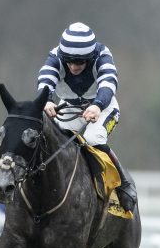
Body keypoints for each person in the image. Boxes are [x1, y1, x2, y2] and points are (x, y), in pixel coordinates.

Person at [36, 22, 137, 211]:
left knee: (92, 138)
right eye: (69, 61)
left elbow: (108, 83)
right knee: (50, 141)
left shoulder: (102, 54)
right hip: (68, 108)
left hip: (103, 107)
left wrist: (97, 105)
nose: (74, 66)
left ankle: (123, 185)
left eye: (80, 62)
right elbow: (45, 79)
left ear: (89, 58)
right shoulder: (55, 56)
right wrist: (47, 100)